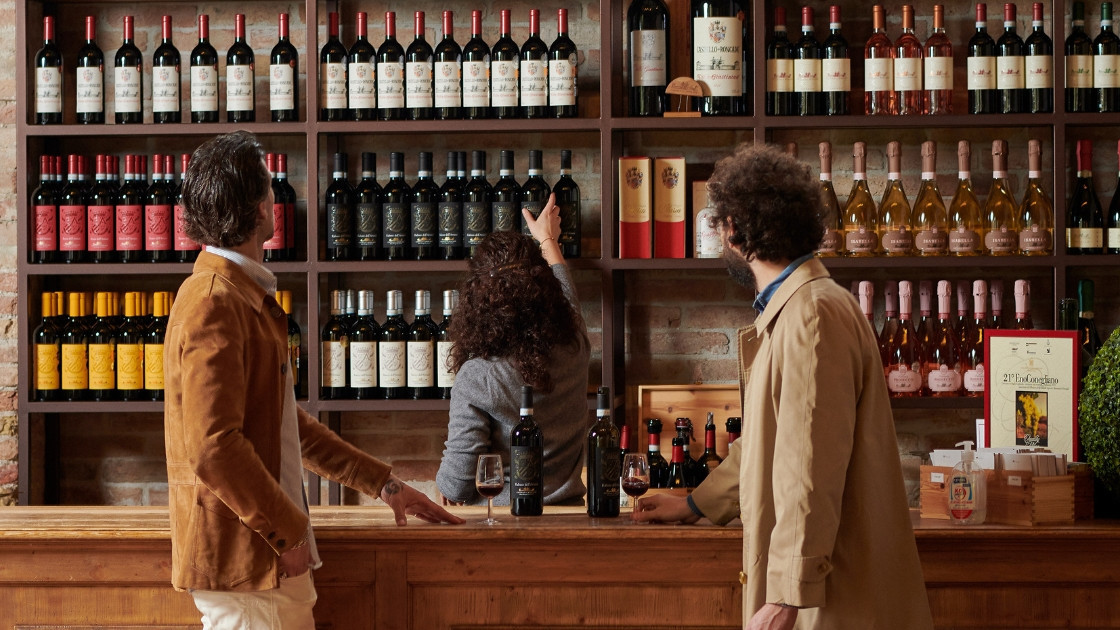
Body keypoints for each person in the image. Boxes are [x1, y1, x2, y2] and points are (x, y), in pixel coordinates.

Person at [163, 131, 463, 628]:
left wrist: (384, 484)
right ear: (263, 208)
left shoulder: (236, 295)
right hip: (250, 567)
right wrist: (288, 533)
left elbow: (284, 425)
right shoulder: (214, 301)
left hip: (262, 565)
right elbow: (213, 447)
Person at [632, 143, 934, 630]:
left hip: (828, 602)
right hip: (824, 593)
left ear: (732, 230)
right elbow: (767, 444)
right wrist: (693, 504)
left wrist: (788, 594)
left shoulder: (809, 316)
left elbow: (808, 462)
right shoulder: (804, 307)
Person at [436, 197, 590, 506]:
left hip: (502, 524)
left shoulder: (479, 376)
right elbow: (566, 293)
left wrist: (445, 483)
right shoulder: (575, 344)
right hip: (569, 518)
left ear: (476, 302)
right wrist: (547, 239)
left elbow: (457, 485)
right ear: (544, 288)